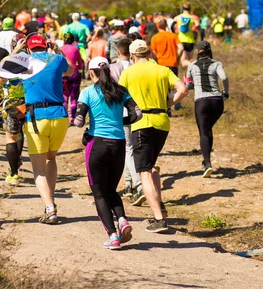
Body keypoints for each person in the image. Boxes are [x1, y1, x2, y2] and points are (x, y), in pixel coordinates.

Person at [119, 40, 188, 233]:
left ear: (132, 55)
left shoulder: (128, 72)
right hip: (162, 121)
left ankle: (158, 218)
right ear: (148, 53)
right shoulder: (162, 69)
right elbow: (183, 90)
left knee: (144, 171)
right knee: (151, 165)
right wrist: (169, 104)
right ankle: (161, 206)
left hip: (141, 122)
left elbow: (118, 96)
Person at [74, 56, 142, 250]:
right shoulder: (121, 91)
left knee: (99, 194)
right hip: (118, 144)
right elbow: (138, 114)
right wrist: (120, 123)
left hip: (97, 145)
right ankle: (122, 220)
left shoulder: (87, 92)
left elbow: (78, 121)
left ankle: (113, 236)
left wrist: (81, 121)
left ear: (91, 72)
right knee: (111, 189)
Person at [22, 34, 74, 224]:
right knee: (51, 158)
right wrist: (58, 50)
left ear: (28, 48)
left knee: (38, 169)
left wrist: (16, 52)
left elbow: (1, 76)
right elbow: (70, 71)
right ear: (46, 46)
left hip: (36, 117)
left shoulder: (23, 61)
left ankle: (50, 208)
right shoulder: (57, 59)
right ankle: (49, 202)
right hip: (59, 115)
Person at [186, 41, 229, 177]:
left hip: (201, 101)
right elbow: (224, 77)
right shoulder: (216, 63)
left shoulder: (192, 65)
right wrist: (225, 92)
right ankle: (206, 162)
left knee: (204, 132)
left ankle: (207, 163)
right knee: (209, 129)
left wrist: (193, 85)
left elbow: (188, 85)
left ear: (197, 51)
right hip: (217, 101)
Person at [109, 38, 144, 205]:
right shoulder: (136, 67)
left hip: (121, 112)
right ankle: (129, 184)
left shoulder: (112, 68)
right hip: (138, 110)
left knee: (128, 148)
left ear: (118, 51)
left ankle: (138, 185)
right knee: (131, 148)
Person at [0, 39, 28, 186]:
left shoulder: (8, 62)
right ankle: (17, 160)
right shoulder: (33, 63)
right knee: (20, 134)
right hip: (28, 103)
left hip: (11, 103)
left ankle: (13, 173)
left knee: (10, 137)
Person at [61, 33, 84, 125]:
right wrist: (79, 70)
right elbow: (80, 64)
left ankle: (65, 117)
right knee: (74, 96)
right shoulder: (75, 49)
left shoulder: (60, 49)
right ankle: (72, 118)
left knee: (64, 96)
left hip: (63, 74)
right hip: (74, 74)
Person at [173, 2, 199, 68]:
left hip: (181, 40)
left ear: (182, 8)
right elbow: (197, 25)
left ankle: (193, 67)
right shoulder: (192, 18)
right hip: (191, 40)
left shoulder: (178, 17)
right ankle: (190, 76)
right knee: (190, 60)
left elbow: (171, 25)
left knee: (184, 62)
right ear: (190, 9)